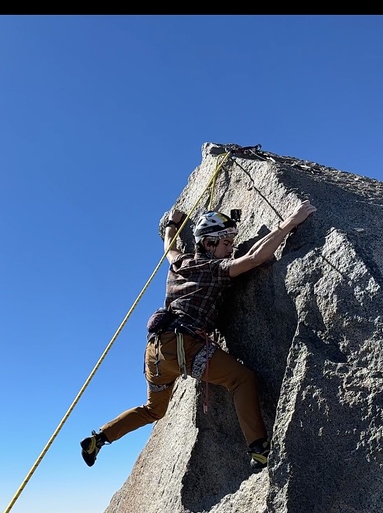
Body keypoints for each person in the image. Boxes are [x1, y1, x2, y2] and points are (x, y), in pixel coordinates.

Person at [80, 198, 316, 470]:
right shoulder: (213, 269)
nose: (230, 250)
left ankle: (100, 437)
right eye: (226, 243)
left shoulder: (179, 262)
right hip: (184, 346)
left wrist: (173, 222)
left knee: (154, 409)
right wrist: (290, 223)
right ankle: (259, 449)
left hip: (155, 353)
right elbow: (255, 258)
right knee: (242, 380)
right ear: (208, 243)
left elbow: (169, 245)